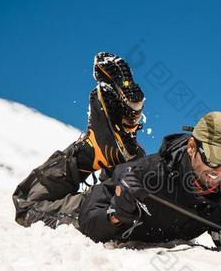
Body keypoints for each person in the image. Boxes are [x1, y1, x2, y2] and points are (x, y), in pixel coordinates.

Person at [77, 111, 221, 250]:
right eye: (212, 160)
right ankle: (85, 152)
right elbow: (86, 221)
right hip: (83, 205)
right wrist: (117, 215)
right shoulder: (147, 174)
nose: (219, 172)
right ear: (192, 147)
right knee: (50, 204)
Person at [13, 52, 146, 228]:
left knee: (26, 207)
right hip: (142, 199)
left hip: (114, 210)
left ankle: (92, 150)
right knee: (122, 184)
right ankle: (121, 137)